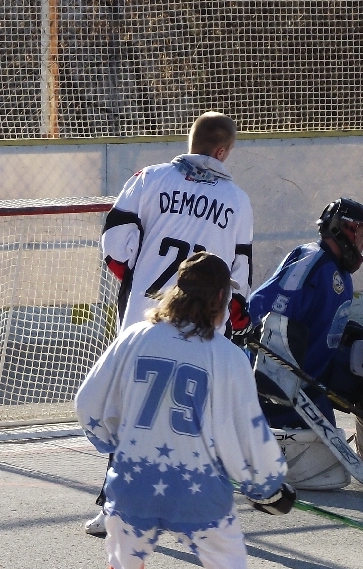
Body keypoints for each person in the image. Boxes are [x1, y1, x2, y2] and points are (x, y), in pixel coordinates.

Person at [75, 252, 295, 569]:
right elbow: (248, 430)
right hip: (199, 488)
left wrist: (114, 443)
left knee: (124, 564)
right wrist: (267, 486)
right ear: (220, 299)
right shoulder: (228, 357)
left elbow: (88, 402)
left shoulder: (136, 336)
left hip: (135, 480)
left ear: (176, 291)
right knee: (228, 566)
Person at [85, 111, 254, 536]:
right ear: (223, 152)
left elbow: (114, 243)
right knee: (194, 415)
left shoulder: (149, 178)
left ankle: (116, 510)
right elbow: (240, 272)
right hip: (203, 327)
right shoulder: (237, 200)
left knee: (133, 410)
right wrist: (236, 314)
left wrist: (137, 279)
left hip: (145, 320)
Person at [248, 198, 363, 490]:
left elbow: (320, 323)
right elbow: (263, 310)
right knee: (327, 470)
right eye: (362, 233)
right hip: (285, 384)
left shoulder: (339, 273)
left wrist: (360, 335)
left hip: (317, 368)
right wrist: (272, 376)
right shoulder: (311, 261)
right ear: (340, 228)